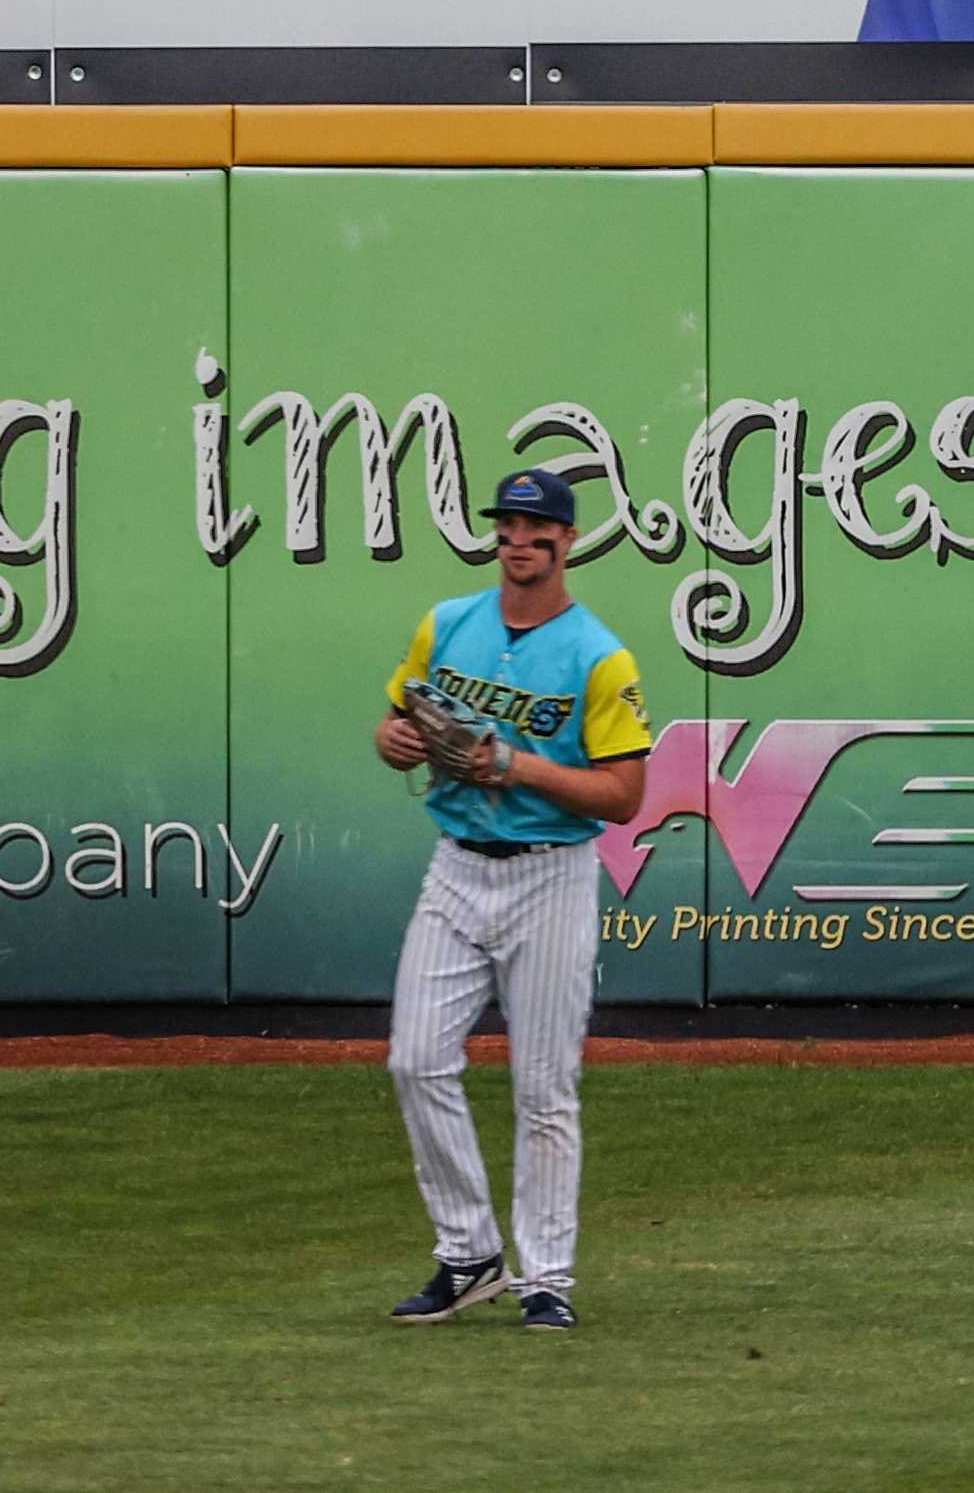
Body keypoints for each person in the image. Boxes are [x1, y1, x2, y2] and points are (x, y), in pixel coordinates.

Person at [377, 467, 652, 1332]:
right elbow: (399, 724)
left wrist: (514, 765)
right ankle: (468, 1254)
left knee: (543, 1086)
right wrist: (393, 739)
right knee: (413, 1059)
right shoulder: (445, 624)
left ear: (568, 540)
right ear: (495, 532)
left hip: (550, 875)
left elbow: (623, 796)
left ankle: (548, 1277)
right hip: (455, 866)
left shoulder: (599, 655)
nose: (521, 537)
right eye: (509, 522)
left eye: (539, 526)